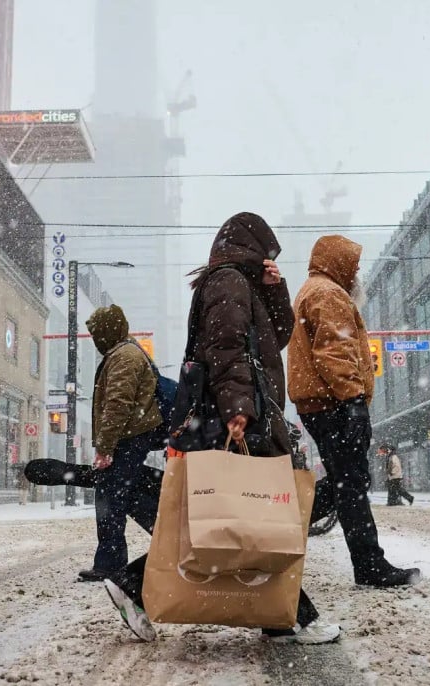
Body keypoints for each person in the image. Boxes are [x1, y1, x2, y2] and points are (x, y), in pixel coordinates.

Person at [103, 212, 340, 645]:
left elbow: (277, 336)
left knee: (231, 521)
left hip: (236, 413)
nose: (270, 259)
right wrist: (238, 407)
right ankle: (289, 617)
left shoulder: (240, 283)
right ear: (251, 246)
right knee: (256, 517)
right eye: (268, 253)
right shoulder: (229, 281)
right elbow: (226, 344)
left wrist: (275, 290)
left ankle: (280, 616)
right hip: (235, 416)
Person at [288, 235, 420, 588]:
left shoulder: (316, 290)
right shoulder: (327, 294)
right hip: (333, 404)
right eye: (354, 264)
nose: (357, 271)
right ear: (338, 262)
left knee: (349, 482)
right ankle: (368, 564)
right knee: (351, 483)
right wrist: (353, 401)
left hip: (325, 403)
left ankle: (286, 524)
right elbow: (333, 349)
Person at [78, 305, 163, 582]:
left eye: (97, 333)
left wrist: (105, 447)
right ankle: (116, 559)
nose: (95, 339)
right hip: (129, 438)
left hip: (126, 439)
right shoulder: (125, 352)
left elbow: (117, 404)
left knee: (110, 501)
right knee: (123, 497)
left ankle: (111, 563)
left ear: (108, 331)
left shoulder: (124, 356)